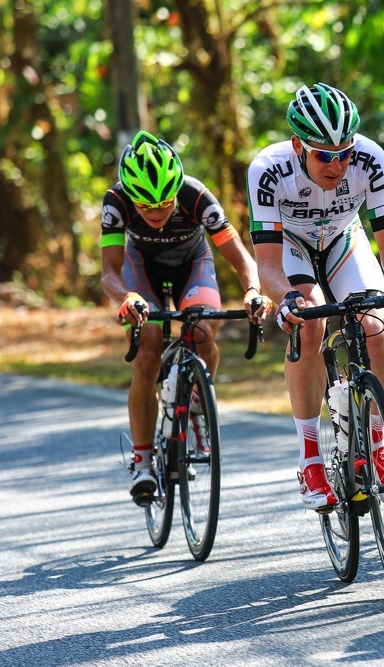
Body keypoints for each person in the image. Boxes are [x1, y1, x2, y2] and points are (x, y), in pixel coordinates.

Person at [246, 82, 384, 511]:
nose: (336, 165)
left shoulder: (370, 158)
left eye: (344, 154)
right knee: (311, 321)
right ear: (298, 145)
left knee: (375, 325)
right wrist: (287, 298)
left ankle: (377, 441)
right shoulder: (268, 169)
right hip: (291, 245)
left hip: (343, 239)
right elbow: (268, 265)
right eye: (323, 156)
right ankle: (310, 457)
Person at [103, 130, 269, 506]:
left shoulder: (196, 196)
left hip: (193, 263)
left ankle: (195, 404)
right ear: (131, 198)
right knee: (147, 351)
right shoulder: (116, 201)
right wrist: (126, 297)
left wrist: (252, 291)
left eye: (165, 202)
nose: (157, 212)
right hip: (140, 270)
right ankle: (143, 462)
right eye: (146, 206)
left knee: (203, 330)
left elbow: (241, 257)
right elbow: (109, 273)